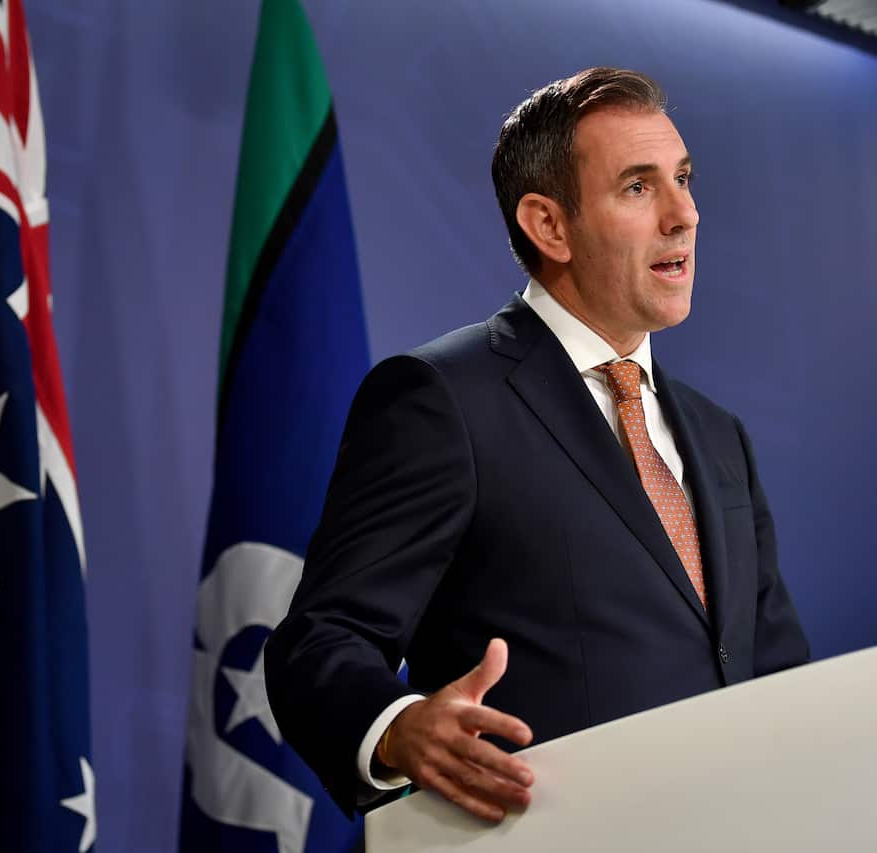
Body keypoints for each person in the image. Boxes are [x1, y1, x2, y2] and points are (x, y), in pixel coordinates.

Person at [263, 67, 810, 824]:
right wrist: (398, 728)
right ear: (549, 225)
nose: (683, 214)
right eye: (637, 188)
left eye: (682, 179)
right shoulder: (440, 398)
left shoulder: (720, 437)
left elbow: (777, 679)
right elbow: (321, 640)